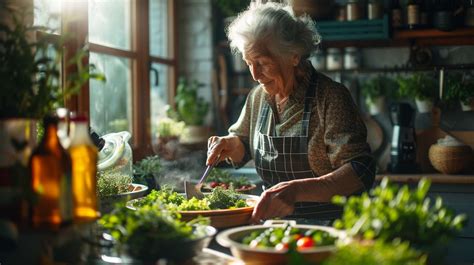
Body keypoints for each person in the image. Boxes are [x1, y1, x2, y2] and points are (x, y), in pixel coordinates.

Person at [206, 2, 375, 224]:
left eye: (263, 63)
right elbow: (244, 143)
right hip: (275, 224)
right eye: (249, 63)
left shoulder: (330, 97)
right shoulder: (258, 97)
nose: (255, 74)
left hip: (331, 226)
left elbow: (359, 171)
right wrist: (229, 144)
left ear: (294, 56)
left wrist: (295, 191)